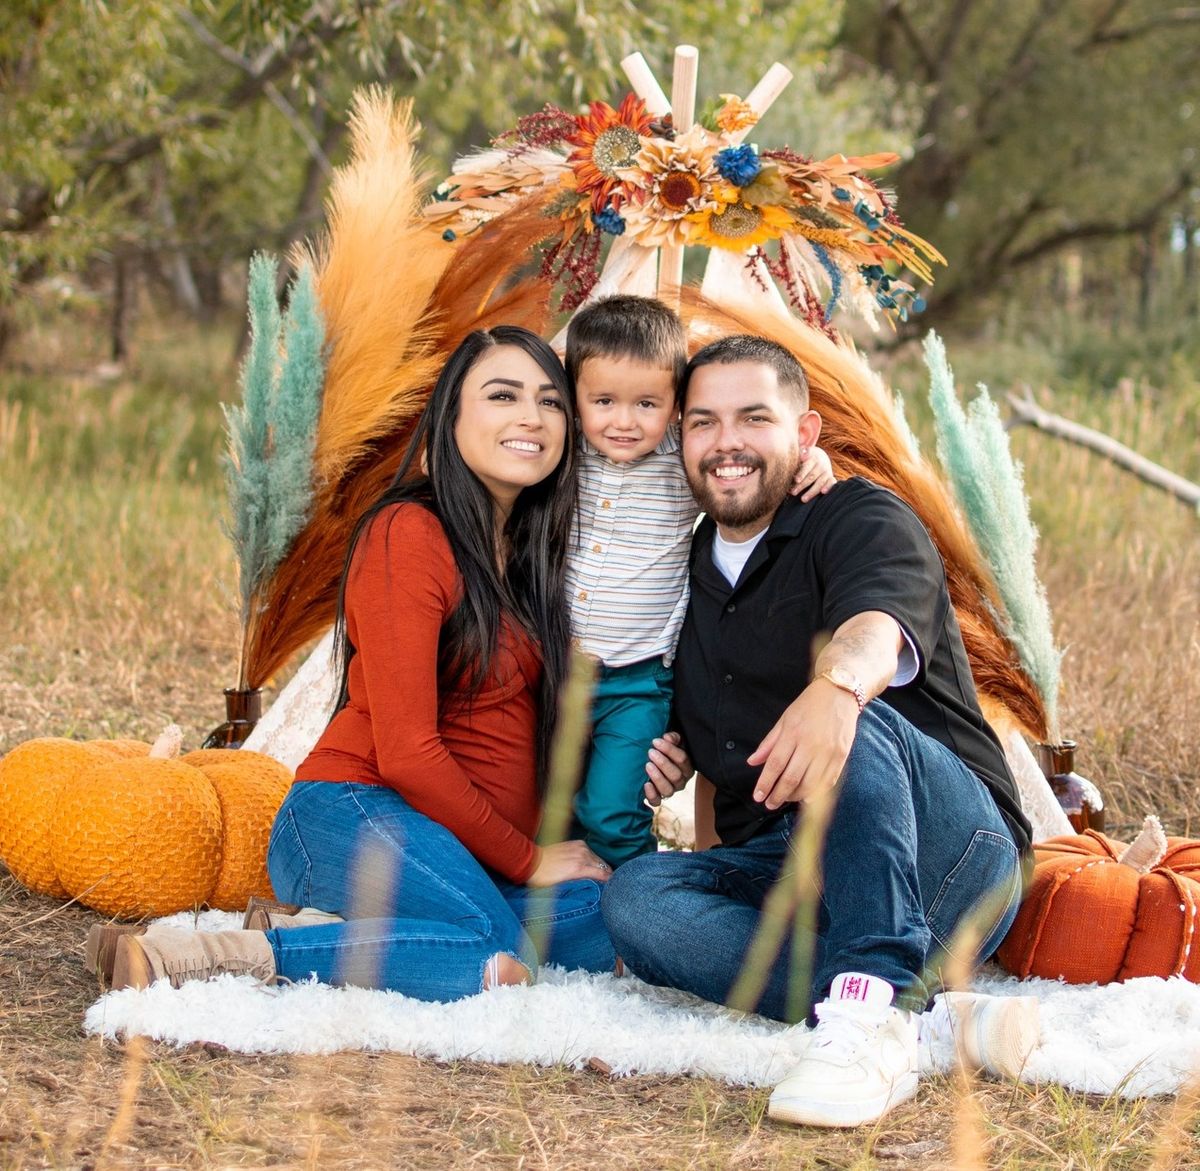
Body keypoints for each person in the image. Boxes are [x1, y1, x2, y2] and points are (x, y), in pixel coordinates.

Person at [100, 326, 639, 998]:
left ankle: (334, 925)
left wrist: (643, 745)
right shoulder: (408, 533)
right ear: (450, 417)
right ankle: (203, 956)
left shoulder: (536, 561)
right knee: (497, 950)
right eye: (503, 395)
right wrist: (530, 860)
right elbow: (408, 754)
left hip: (462, 848)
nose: (532, 417)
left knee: (606, 916)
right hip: (349, 810)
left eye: (551, 401)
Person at [601, 334, 1037, 1128]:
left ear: (803, 435)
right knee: (639, 897)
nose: (726, 441)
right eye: (703, 422)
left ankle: (870, 1008)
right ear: (681, 441)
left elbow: (874, 630)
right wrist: (672, 748)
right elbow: (699, 722)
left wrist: (837, 685)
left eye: (753, 417)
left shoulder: (861, 517)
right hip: (796, 869)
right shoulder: (685, 566)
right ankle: (922, 1014)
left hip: (950, 849)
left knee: (848, 716)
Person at [563, 296, 835, 868]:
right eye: (604, 402)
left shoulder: (678, 458)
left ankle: (630, 896)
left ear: (676, 410)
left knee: (614, 808)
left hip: (634, 681)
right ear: (575, 398)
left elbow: (744, 465)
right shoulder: (565, 454)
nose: (624, 421)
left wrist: (814, 462)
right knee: (541, 798)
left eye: (647, 404)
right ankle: (554, 900)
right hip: (553, 664)